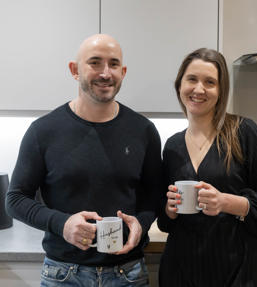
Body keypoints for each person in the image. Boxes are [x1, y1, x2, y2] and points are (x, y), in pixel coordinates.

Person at [6, 34, 163, 287]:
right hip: (63, 274)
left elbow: (155, 194)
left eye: (113, 64)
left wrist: (141, 224)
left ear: (123, 72)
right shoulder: (43, 131)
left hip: (128, 273)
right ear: (74, 70)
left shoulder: (143, 131)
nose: (105, 73)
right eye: (95, 63)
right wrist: (63, 223)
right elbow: (14, 200)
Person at [157, 48, 257, 287]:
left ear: (220, 91)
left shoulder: (243, 132)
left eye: (209, 82)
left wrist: (226, 202)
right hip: (182, 271)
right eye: (192, 79)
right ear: (180, 85)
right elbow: (166, 223)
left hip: (238, 272)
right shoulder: (172, 146)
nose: (199, 89)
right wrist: (169, 209)